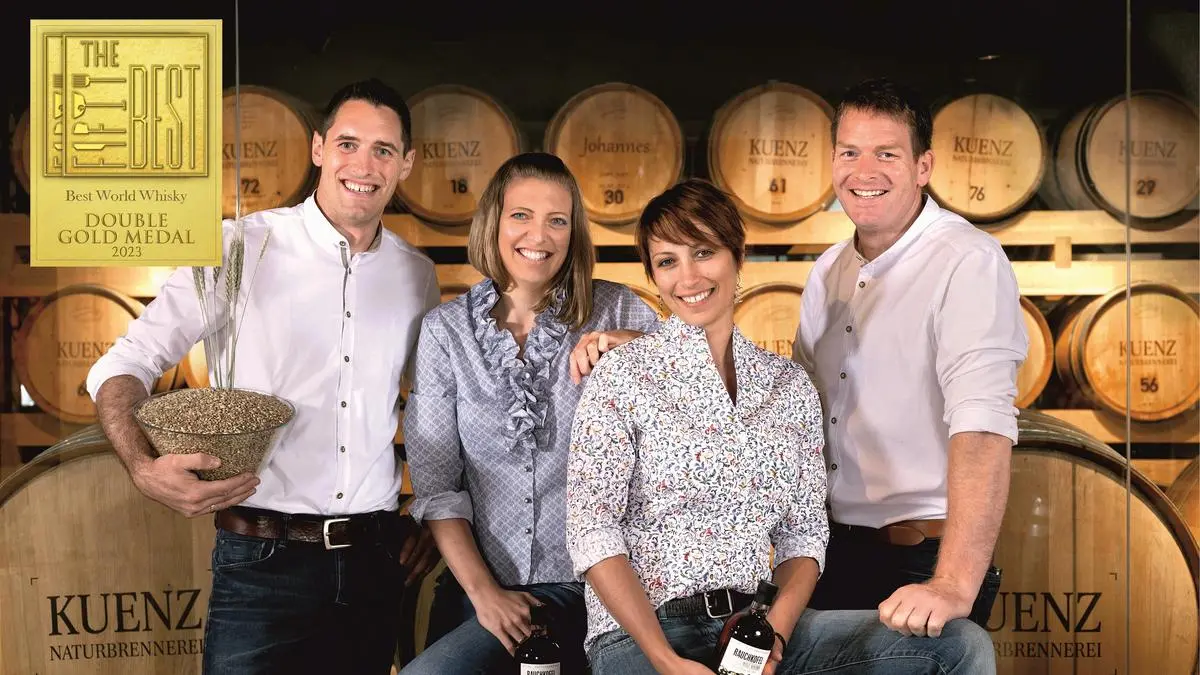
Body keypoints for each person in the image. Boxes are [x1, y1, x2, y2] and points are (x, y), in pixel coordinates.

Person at [565, 177, 995, 674]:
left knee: (957, 646)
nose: (688, 277)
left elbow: (804, 535)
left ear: (736, 255)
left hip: (755, 626)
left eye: (703, 252)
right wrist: (665, 660)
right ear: (654, 276)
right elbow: (592, 530)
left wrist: (776, 638)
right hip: (644, 635)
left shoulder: (788, 385)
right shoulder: (622, 374)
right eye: (667, 261)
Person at [86, 78, 442, 674]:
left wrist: (434, 512)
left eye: (383, 150)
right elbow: (122, 364)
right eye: (348, 144)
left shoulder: (416, 275)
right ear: (318, 148)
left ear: (405, 164)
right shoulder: (239, 250)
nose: (364, 164)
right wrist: (142, 467)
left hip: (374, 560)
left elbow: (437, 408)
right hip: (261, 561)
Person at [399, 152, 661, 674]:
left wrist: (639, 347)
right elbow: (438, 486)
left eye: (557, 220)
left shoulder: (620, 310)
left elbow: (700, 392)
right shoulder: (447, 332)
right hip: (485, 592)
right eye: (521, 215)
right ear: (493, 221)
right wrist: (487, 596)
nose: (537, 234)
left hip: (603, 591)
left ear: (574, 232)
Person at [793, 77, 1027, 637]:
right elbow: (792, 402)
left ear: (924, 166)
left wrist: (952, 583)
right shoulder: (829, 269)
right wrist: (665, 351)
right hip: (830, 556)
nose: (863, 170)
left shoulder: (966, 260)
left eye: (887, 153)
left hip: (921, 561)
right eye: (850, 152)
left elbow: (983, 428)